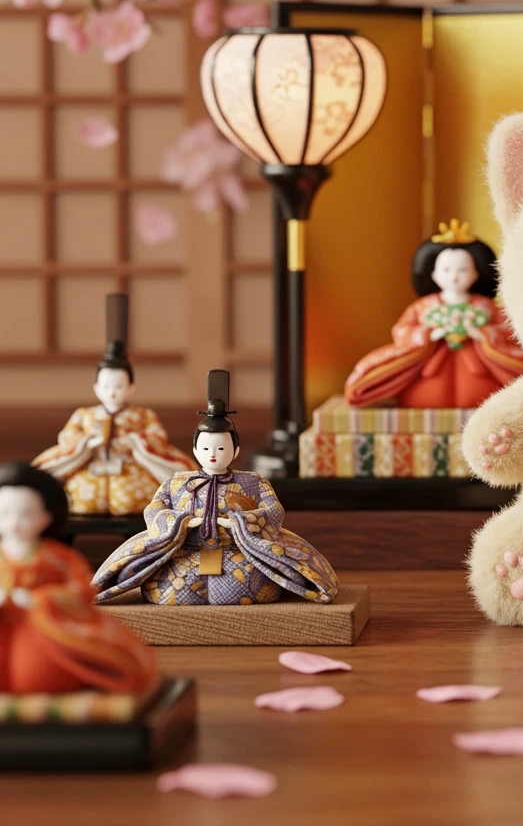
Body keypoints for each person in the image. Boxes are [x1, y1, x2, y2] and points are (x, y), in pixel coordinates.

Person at [92, 370, 339, 606]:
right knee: (169, 584)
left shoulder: (255, 482)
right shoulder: (175, 482)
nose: (213, 454)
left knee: (251, 581)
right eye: (206, 448)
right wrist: (181, 523)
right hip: (185, 551)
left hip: (239, 551)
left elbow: (274, 510)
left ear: (236, 451)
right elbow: (154, 509)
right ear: (195, 450)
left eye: (220, 448)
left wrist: (238, 523)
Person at [343, 219, 523, 409]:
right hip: (432, 361)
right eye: (446, 270)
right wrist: (428, 334)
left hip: (478, 364)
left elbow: (508, 330)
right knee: (429, 384)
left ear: (476, 273)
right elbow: (402, 329)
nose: (454, 276)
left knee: (488, 387)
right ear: (433, 274)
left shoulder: (486, 307)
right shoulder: (423, 307)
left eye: (462, 270)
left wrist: (483, 334)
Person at [0, 462, 155, 694]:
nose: (14, 523)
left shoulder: (59, 558)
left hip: (44, 629)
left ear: (47, 516)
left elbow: (82, 590)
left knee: (34, 677)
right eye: (4, 513)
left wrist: (41, 599)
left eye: (26, 513)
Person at [32, 293, 195, 515]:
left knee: (134, 500)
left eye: (119, 386)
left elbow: (158, 438)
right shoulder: (84, 414)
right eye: (106, 386)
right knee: (78, 500)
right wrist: (86, 442)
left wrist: (137, 442)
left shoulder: (143, 414)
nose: (112, 391)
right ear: (96, 388)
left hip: (130, 468)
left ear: (131, 388)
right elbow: (67, 439)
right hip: (91, 465)